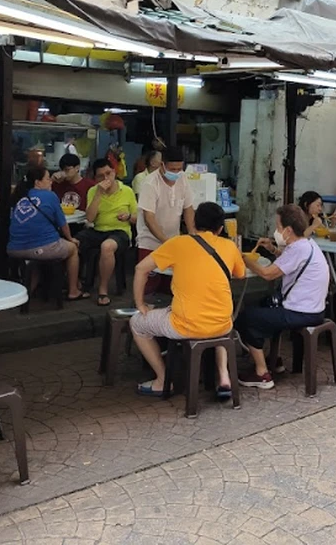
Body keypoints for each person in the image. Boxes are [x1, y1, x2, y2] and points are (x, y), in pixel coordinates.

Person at [131, 202, 245, 398]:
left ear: (193, 223)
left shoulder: (178, 243)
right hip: (223, 324)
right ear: (220, 227)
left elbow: (141, 268)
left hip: (186, 325)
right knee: (217, 322)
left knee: (137, 323)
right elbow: (240, 274)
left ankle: (162, 379)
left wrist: (140, 304)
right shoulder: (229, 246)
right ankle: (223, 376)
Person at [238, 204, 329, 389]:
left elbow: (267, 274)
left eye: (278, 227)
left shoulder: (297, 249)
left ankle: (262, 373)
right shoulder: (306, 244)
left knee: (247, 317)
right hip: (313, 308)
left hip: (301, 312)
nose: (276, 231)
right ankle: (274, 359)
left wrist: (244, 259)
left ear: (288, 230)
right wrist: (272, 248)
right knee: (262, 304)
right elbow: (288, 262)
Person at [7, 167, 85, 301]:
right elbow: (63, 224)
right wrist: (70, 238)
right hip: (42, 248)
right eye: (48, 179)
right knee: (72, 249)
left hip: (14, 248)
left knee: (36, 260)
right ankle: (73, 290)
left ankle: (25, 295)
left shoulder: (19, 196)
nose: (51, 182)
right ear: (38, 182)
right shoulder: (50, 196)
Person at [136, 148, 195, 294]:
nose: (175, 173)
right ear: (162, 165)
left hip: (173, 240)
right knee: (149, 287)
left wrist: (192, 232)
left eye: (179, 169)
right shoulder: (149, 183)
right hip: (150, 243)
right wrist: (165, 240)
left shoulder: (183, 178)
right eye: (172, 169)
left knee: (171, 287)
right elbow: (148, 218)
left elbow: (188, 208)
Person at [79, 159, 138, 305]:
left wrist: (128, 217)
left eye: (108, 173)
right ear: (96, 178)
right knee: (73, 242)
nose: (106, 178)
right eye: (101, 176)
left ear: (114, 172)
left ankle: (103, 290)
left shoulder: (127, 191)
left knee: (107, 247)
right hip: (98, 229)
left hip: (120, 232)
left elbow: (138, 218)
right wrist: (99, 193)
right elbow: (90, 218)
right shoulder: (93, 191)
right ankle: (76, 285)